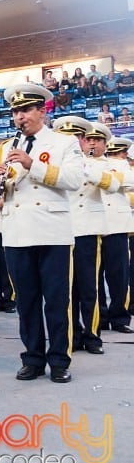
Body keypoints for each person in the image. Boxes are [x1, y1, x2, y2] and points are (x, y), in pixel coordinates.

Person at [0, 83, 82, 383]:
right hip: (16, 232)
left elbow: (74, 180)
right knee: (26, 301)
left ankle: (60, 360)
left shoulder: (64, 143)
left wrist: (32, 164)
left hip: (52, 232)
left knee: (55, 299)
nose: (19, 117)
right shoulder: (3, 147)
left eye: (25, 110)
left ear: (42, 110)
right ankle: (33, 358)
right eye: (15, 111)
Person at [51, 117, 112, 355]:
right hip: (61, 231)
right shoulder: (55, 164)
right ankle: (73, 334)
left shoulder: (98, 163)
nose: (74, 141)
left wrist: (83, 168)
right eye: (68, 137)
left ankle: (92, 334)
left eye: (77, 137)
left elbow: (115, 184)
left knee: (89, 287)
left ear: (85, 141)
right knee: (66, 290)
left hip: (87, 230)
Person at [102, 138, 134, 335]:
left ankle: (119, 317)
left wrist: (107, 178)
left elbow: (130, 182)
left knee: (119, 275)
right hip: (95, 225)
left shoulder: (122, 164)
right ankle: (101, 317)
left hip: (118, 225)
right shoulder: (91, 162)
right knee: (94, 278)